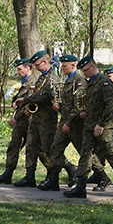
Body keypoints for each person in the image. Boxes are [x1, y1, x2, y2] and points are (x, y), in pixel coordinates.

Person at [64, 55, 113, 199]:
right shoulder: (90, 83)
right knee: (85, 154)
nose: (84, 73)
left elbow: (111, 105)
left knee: (111, 155)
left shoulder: (104, 83)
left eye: (85, 70)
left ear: (93, 67)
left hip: (104, 127)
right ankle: (80, 187)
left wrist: (101, 124)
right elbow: (94, 104)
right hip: (90, 125)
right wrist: (85, 112)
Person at [37, 54, 85, 191]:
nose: (63, 69)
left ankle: (101, 175)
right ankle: (53, 179)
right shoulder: (67, 80)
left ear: (73, 65)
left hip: (74, 124)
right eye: (62, 66)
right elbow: (68, 103)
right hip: (64, 121)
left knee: (84, 151)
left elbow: (78, 106)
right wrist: (59, 106)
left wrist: (68, 123)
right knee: (55, 149)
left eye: (65, 66)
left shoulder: (79, 80)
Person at [14, 50, 59, 187]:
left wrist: (25, 99)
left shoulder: (52, 78)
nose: (36, 68)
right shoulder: (41, 78)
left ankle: (52, 177)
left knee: (47, 148)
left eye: (37, 65)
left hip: (47, 119)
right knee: (31, 147)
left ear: (45, 62)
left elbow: (44, 96)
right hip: (35, 118)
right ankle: (29, 176)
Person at [0, 58, 35, 184]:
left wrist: (15, 117)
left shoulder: (33, 83)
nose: (17, 72)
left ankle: (31, 176)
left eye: (19, 69)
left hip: (29, 121)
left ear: (27, 68)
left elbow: (29, 103)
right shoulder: (23, 83)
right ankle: (8, 173)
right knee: (13, 146)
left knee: (36, 149)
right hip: (20, 121)